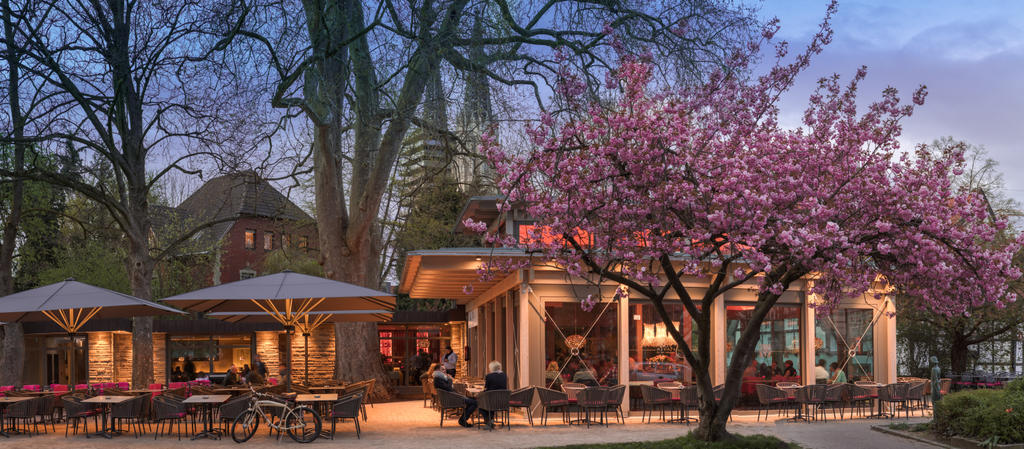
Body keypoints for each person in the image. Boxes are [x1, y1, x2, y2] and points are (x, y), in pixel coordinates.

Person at [481, 360, 508, 429]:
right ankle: (490, 421)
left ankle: (488, 421)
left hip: (491, 400)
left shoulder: (489, 376)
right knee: (490, 400)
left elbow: (486, 388)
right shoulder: (504, 375)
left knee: (479, 404)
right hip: (502, 401)